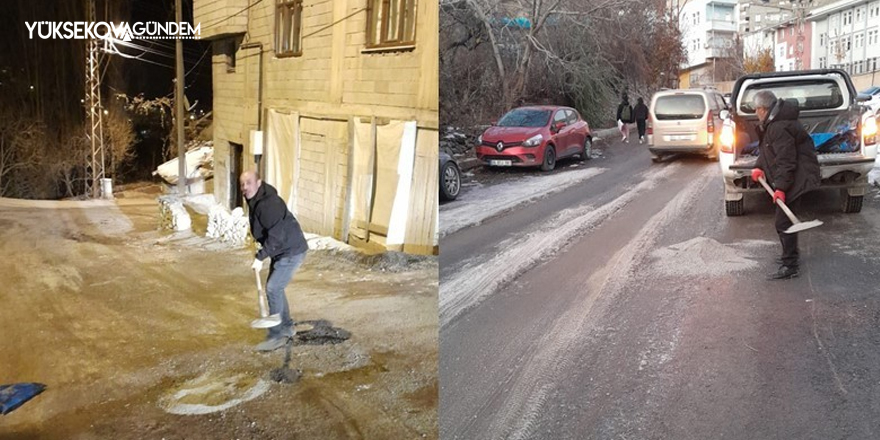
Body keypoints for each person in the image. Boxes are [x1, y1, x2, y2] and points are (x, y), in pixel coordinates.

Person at [749, 91, 820, 280]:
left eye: (757, 109)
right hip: (794, 175)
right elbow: (768, 151)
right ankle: (788, 257)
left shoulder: (778, 127)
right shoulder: (774, 123)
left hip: (798, 175)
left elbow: (786, 160)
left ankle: (790, 265)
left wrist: (781, 187)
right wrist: (758, 166)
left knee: (783, 222)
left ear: (763, 109)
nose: (756, 113)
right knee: (784, 222)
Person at [240, 170, 309, 351]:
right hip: (281, 250)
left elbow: (277, 235)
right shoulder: (256, 200)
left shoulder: (268, 204)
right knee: (276, 288)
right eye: (242, 184)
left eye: (249, 182)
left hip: (290, 250)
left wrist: (260, 257)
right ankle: (286, 326)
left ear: (259, 182)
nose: (245, 187)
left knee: (273, 288)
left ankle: (277, 335)